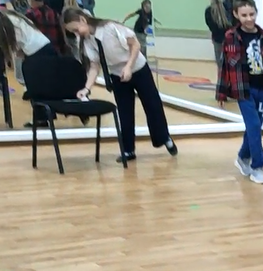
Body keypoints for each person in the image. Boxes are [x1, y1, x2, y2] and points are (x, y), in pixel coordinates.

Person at [63, 6, 178, 161]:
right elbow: (95, 66)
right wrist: (86, 88)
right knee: (124, 112)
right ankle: (128, 150)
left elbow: (135, 45)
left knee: (152, 105)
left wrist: (128, 67)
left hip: (137, 68)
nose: (76, 34)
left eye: (76, 29)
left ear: (83, 20)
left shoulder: (110, 28)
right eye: (73, 32)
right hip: (117, 75)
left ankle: (164, 138)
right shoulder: (86, 40)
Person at [216, 0, 263, 185]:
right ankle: (257, 167)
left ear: (256, 13)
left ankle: (242, 157)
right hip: (243, 90)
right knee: (253, 125)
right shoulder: (231, 37)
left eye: (251, 14)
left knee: (255, 127)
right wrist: (221, 93)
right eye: (244, 15)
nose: (248, 19)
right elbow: (224, 66)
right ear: (236, 15)